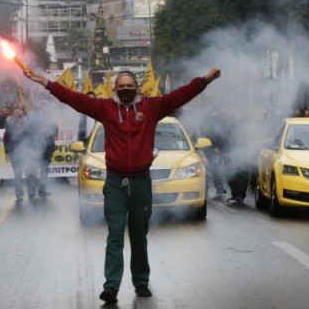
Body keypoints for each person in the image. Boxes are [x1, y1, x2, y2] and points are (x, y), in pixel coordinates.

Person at [24, 66, 221, 303]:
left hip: (141, 182)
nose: (126, 90)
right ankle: (111, 286)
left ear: (137, 87)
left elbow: (180, 95)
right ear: (115, 89)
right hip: (115, 182)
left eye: (130, 87)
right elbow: (73, 98)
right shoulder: (105, 108)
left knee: (139, 235)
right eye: (122, 87)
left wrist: (205, 80)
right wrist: (46, 82)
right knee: (115, 234)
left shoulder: (151, 107)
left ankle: (141, 282)